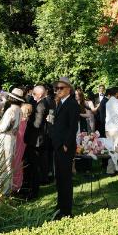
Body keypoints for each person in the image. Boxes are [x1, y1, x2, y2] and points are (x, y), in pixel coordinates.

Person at [49, 79, 80, 220]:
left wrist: (66, 144)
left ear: (69, 89)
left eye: (61, 88)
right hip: (58, 145)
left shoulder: (72, 104)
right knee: (60, 178)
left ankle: (66, 211)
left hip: (65, 147)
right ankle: (60, 205)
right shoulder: (60, 103)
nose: (58, 90)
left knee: (65, 178)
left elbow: (73, 127)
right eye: (56, 88)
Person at [27, 84, 53, 195]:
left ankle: (34, 190)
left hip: (37, 139)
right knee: (38, 164)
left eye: (34, 94)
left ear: (40, 94)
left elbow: (37, 124)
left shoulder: (41, 105)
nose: (32, 96)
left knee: (35, 165)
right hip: (40, 138)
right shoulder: (41, 103)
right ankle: (36, 186)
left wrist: (26, 121)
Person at [0, 87, 24, 179]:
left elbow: (5, 127)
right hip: (12, 137)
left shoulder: (11, 110)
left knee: (1, 163)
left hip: (5, 137)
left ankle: (1, 189)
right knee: (9, 163)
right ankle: (7, 187)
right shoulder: (19, 110)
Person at [15, 101, 32, 195]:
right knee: (19, 162)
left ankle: (17, 184)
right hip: (23, 144)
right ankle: (18, 183)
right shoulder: (27, 122)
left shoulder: (21, 121)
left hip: (19, 144)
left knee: (17, 162)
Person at [103, 86, 118, 152]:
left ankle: (110, 162)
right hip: (115, 128)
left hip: (108, 127)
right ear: (116, 93)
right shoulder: (117, 102)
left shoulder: (108, 102)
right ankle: (113, 162)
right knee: (116, 150)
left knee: (110, 149)